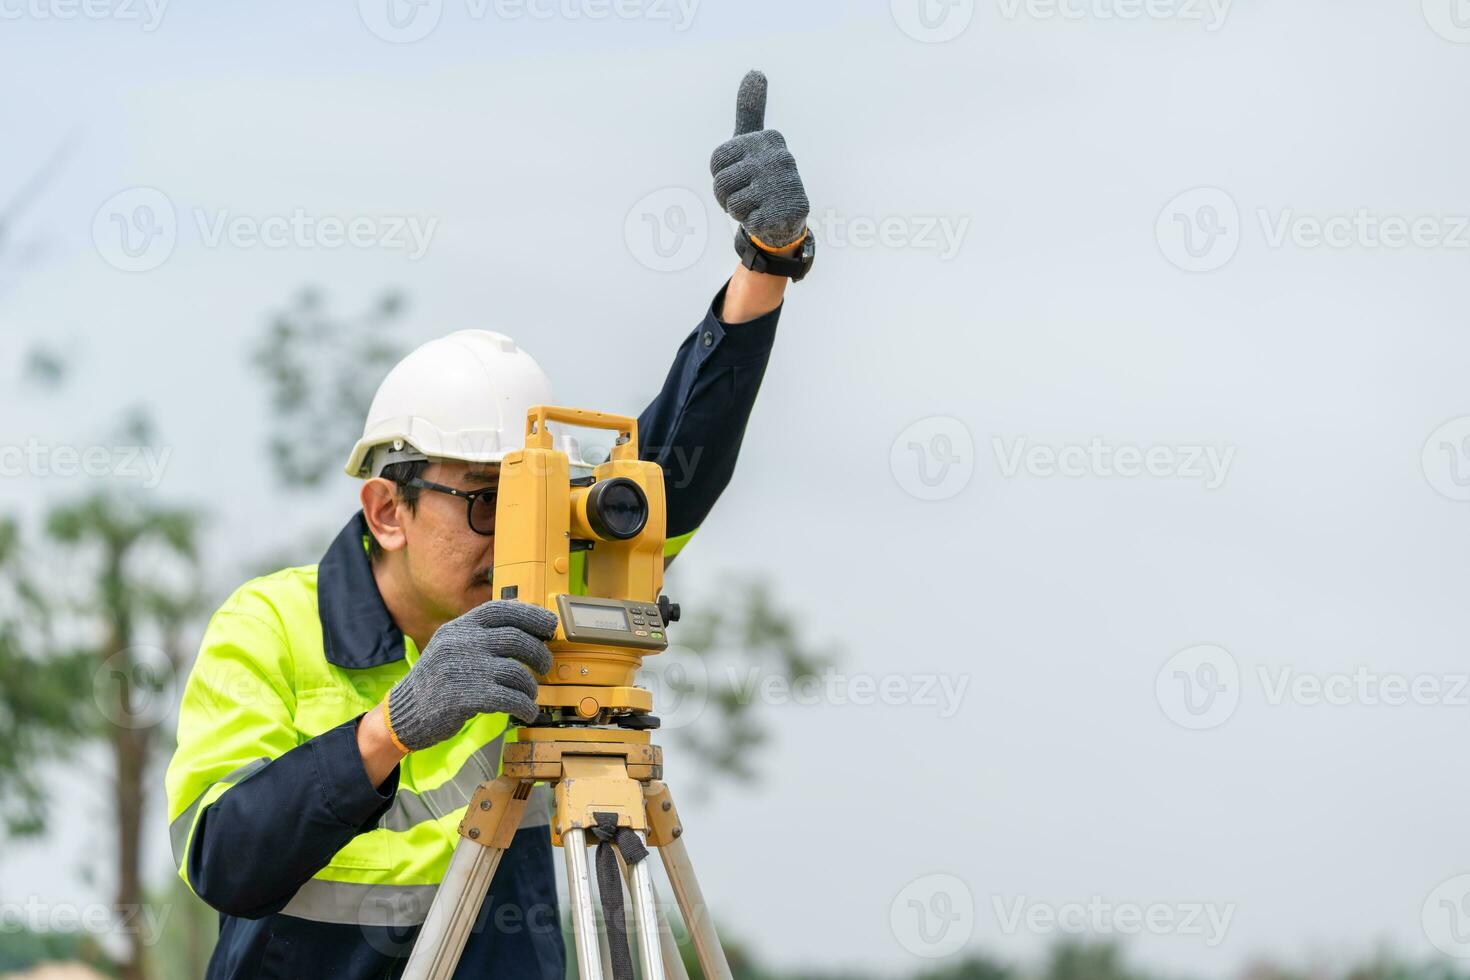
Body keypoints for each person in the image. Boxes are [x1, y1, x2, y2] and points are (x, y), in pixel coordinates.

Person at [164, 70, 814, 978]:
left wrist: (765, 264)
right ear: (387, 508)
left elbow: (671, 470)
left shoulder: (549, 588)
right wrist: (392, 727)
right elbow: (224, 859)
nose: (515, 535)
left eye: (533, 501)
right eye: (485, 501)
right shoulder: (270, 629)